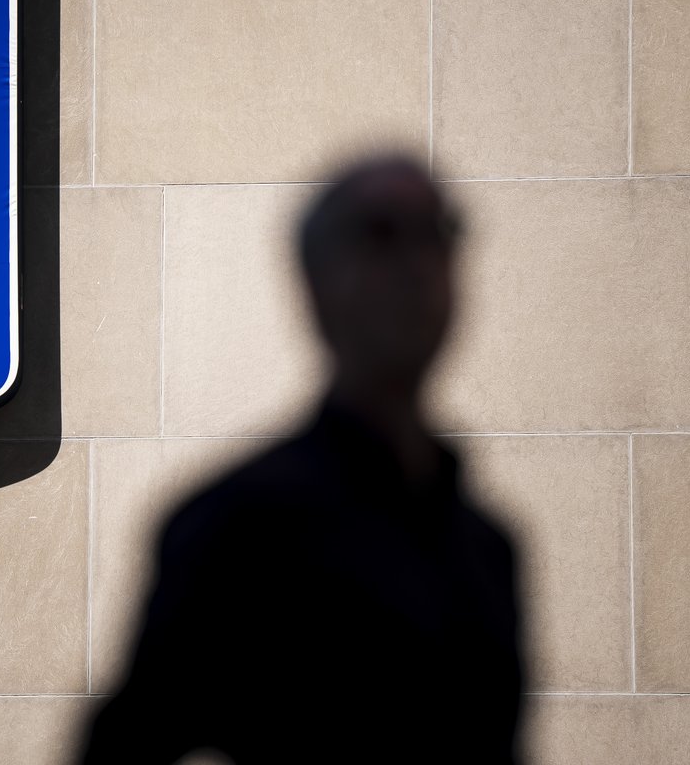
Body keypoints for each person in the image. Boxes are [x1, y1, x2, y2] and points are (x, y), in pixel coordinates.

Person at [78, 156, 523, 763]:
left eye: (437, 233)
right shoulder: (239, 528)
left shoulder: (490, 546)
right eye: (382, 235)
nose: (416, 266)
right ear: (314, 282)